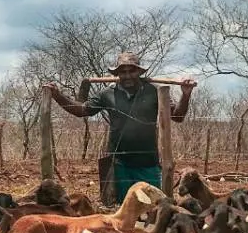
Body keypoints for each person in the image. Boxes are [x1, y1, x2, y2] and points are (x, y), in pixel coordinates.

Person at [45, 52, 197, 201]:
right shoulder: (107, 94)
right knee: (122, 209)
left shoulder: (155, 91)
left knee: (154, 207)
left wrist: (186, 95)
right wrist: (58, 96)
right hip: (119, 164)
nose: (127, 75)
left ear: (139, 71)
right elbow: (82, 110)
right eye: (122, 72)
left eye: (132, 71)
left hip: (148, 162)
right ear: (117, 73)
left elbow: (177, 117)